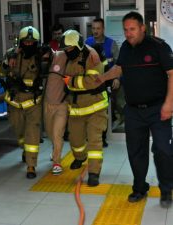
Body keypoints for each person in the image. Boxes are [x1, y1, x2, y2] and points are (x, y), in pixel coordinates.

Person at [97, 11, 173, 208]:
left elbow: (172, 74)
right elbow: (119, 69)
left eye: (132, 29)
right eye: (125, 30)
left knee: (163, 150)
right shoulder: (125, 48)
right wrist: (102, 77)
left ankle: (166, 190)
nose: (128, 33)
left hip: (158, 109)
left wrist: (169, 103)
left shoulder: (158, 46)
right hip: (133, 111)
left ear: (142, 28)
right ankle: (140, 187)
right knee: (136, 152)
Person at [60, 29, 107, 186]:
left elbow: (93, 81)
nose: (67, 52)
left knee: (94, 141)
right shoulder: (67, 56)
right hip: (76, 108)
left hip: (95, 106)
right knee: (75, 140)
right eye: (65, 50)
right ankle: (80, 158)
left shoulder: (92, 56)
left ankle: (94, 172)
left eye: (69, 49)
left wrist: (70, 82)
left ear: (78, 46)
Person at [3, 26, 44, 179]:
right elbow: (2, 71)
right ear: (20, 42)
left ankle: (31, 165)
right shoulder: (11, 54)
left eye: (31, 42)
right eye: (25, 42)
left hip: (33, 102)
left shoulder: (41, 55)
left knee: (32, 133)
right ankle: (24, 149)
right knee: (19, 131)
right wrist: (8, 62)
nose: (28, 45)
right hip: (15, 102)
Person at [85, 18, 120, 147]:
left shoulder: (111, 43)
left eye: (98, 28)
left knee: (104, 110)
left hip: (107, 81)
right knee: (91, 110)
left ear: (103, 29)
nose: (95, 31)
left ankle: (103, 137)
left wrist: (117, 78)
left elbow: (118, 63)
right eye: (93, 28)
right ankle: (92, 135)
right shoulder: (87, 42)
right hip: (91, 82)